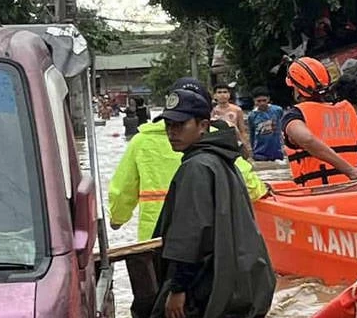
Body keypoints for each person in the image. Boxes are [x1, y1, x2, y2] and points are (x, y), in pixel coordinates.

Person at [131, 85, 275, 318]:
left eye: (180, 125)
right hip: (242, 288)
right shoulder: (222, 159)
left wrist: (178, 289)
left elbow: (191, 235)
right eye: (168, 125)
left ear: (203, 126)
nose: (172, 132)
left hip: (207, 291)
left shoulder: (196, 167)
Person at [109, 80, 268, 240]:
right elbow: (250, 187)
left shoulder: (141, 141)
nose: (173, 132)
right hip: (203, 239)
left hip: (154, 237)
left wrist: (117, 219)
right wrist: (264, 189)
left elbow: (122, 189)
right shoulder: (216, 139)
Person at [280, 57, 357, 187]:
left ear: (296, 88)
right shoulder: (348, 113)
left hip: (319, 193)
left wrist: (350, 170)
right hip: (356, 187)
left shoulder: (295, 116)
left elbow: (307, 139)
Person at [212, 83, 251, 159]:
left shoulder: (237, 110)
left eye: (225, 92)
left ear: (229, 94)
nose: (222, 95)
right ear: (215, 95)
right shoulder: (212, 111)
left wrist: (245, 146)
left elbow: (242, 130)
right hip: (218, 143)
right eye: (219, 92)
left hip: (234, 143)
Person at [246, 87, 285, 162]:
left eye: (264, 100)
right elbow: (252, 134)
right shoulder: (252, 115)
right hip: (260, 151)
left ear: (268, 99)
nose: (262, 103)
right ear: (254, 100)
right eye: (259, 101)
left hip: (277, 150)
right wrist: (252, 149)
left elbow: (283, 125)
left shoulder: (277, 110)